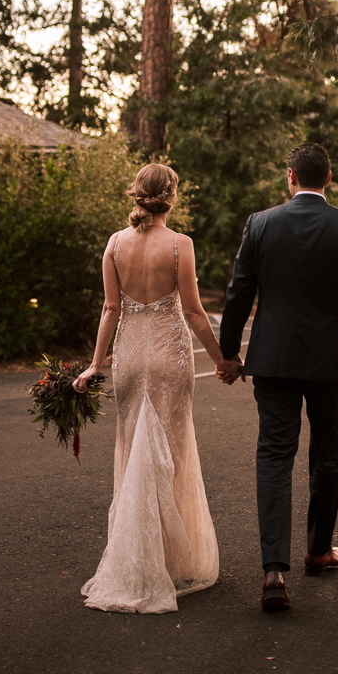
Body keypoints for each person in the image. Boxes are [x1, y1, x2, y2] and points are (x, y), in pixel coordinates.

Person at [74, 163, 242, 613]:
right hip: (169, 355)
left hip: (130, 355)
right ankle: (165, 561)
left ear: (137, 195)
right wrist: (222, 359)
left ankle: (139, 559)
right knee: (172, 451)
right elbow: (192, 311)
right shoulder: (179, 245)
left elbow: (111, 309)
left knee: (135, 452)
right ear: (172, 196)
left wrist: (95, 365)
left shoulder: (114, 244)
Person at [219, 142, 338, 612]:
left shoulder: (260, 223)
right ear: (327, 178)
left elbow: (238, 293)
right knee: (326, 452)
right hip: (328, 360)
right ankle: (318, 550)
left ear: (291, 177)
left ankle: (273, 571)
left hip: (272, 358)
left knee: (274, 454)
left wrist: (230, 353)